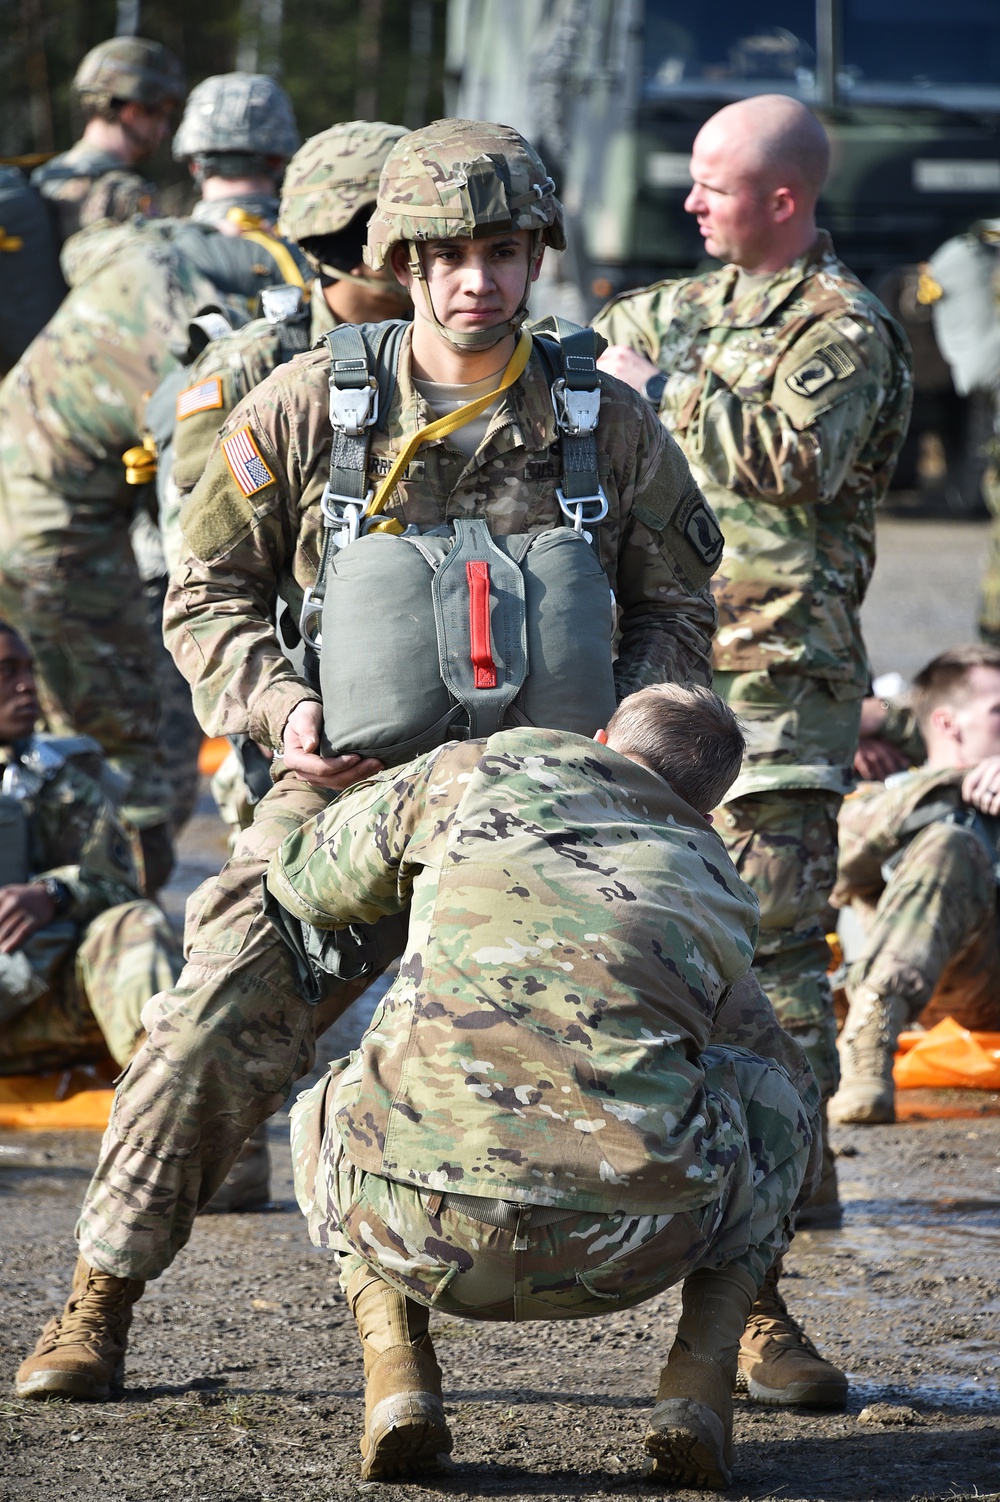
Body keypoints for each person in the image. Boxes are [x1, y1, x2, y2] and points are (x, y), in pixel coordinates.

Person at [13, 118, 721, 1405]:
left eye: (503, 251)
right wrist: (276, 709)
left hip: (560, 806)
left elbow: (677, 602)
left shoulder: (604, 424)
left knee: (725, 1005)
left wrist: (645, 725)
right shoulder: (304, 406)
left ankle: (752, 1310)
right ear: (400, 260)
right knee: (215, 995)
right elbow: (207, 593)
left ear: (535, 256)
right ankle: (99, 1295)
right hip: (351, 790)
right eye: (446, 254)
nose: (475, 281)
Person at [267, 684, 819, 1487]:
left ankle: (398, 1376)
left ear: (598, 737)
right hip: (628, 1249)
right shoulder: (719, 881)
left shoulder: (467, 773)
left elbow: (305, 883)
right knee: (773, 1096)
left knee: (335, 1093)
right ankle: (698, 1380)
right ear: (709, 808)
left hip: (417, 1230)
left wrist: (301, 790)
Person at [593, 92, 912, 1401]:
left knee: (772, 961)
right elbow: (583, 366)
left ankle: (760, 1304)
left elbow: (795, 455)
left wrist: (650, 396)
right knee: (656, 942)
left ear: (784, 197)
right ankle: (762, 1203)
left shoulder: (848, 329)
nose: (687, 201)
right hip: (659, 681)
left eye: (713, 183)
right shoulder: (684, 306)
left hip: (779, 693)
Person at [0, 74, 306, 891]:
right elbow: (204, 480)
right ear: (283, 158)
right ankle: (104, 933)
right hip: (70, 538)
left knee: (88, 733)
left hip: (62, 517)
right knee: (131, 754)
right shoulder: (246, 282)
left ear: (192, 157)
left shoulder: (139, 242)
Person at [151, 118, 412, 840]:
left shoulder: (464, 357)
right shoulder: (255, 365)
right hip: (292, 710)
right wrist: (281, 704)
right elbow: (206, 564)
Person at [0, 621, 182, 1078]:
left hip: (36, 1010)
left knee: (136, 926)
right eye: (5, 670)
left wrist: (54, 895)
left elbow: (122, 889)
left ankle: (165, 1092)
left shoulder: (57, 779)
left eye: (28, 668)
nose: (26, 684)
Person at [831, 644, 1000, 1123]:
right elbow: (831, 856)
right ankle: (869, 1041)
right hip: (954, 981)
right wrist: (953, 788)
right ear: (948, 723)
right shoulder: (890, 796)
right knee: (949, 843)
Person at [31, 36, 186, 243]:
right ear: (134, 112)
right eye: (162, 115)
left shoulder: (43, 176)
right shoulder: (125, 195)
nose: (165, 131)